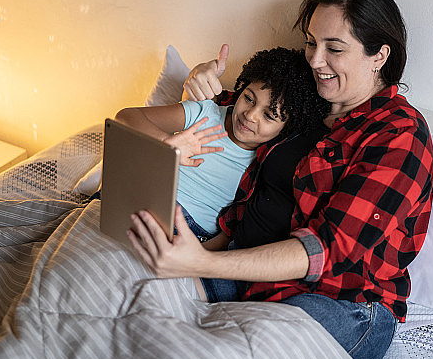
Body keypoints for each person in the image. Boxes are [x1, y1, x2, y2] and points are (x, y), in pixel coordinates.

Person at [128, 0, 433, 359]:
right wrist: (199, 85)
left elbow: (327, 250)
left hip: (341, 305)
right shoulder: (305, 94)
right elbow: (237, 109)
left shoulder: (400, 135)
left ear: (379, 55)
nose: (315, 60)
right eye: (312, 43)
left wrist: (203, 261)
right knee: (137, 313)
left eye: (334, 49)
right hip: (247, 278)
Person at [116, 47, 327, 240]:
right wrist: (166, 143)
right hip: (147, 203)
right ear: (241, 89)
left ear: (285, 128)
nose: (250, 115)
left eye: (269, 115)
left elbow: (231, 231)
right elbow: (126, 118)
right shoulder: (205, 113)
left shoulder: (267, 164)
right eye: (249, 99)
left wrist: (199, 256)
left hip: (191, 233)